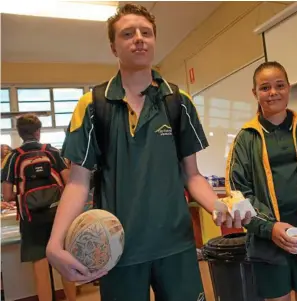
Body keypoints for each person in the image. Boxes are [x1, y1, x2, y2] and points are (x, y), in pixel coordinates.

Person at [45, 4, 250, 301]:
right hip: (118, 250)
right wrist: (54, 243)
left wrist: (218, 208)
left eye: (146, 33)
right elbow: (78, 182)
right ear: (114, 47)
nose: (139, 38)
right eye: (127, 34)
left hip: (176, 246)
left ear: (154, 41)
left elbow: (191, 175)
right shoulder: (92, 105)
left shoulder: (178, 102)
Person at [225, 61, 297, 301]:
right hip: (268, 243)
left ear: (289, 88)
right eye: (265, 87)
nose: (273, 93)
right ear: (255, 93)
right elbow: (238, 194)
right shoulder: (246, 139)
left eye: (279, 85)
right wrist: (270, 228)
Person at [1, 114, 76, 301]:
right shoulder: (51, 152)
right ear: (38, 131)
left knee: (40, 266)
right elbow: (68, 182)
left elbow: (8, 194)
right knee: (64, 260)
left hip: (31, 219)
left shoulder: (13, 157)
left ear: (20, 133)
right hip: (56, 214)